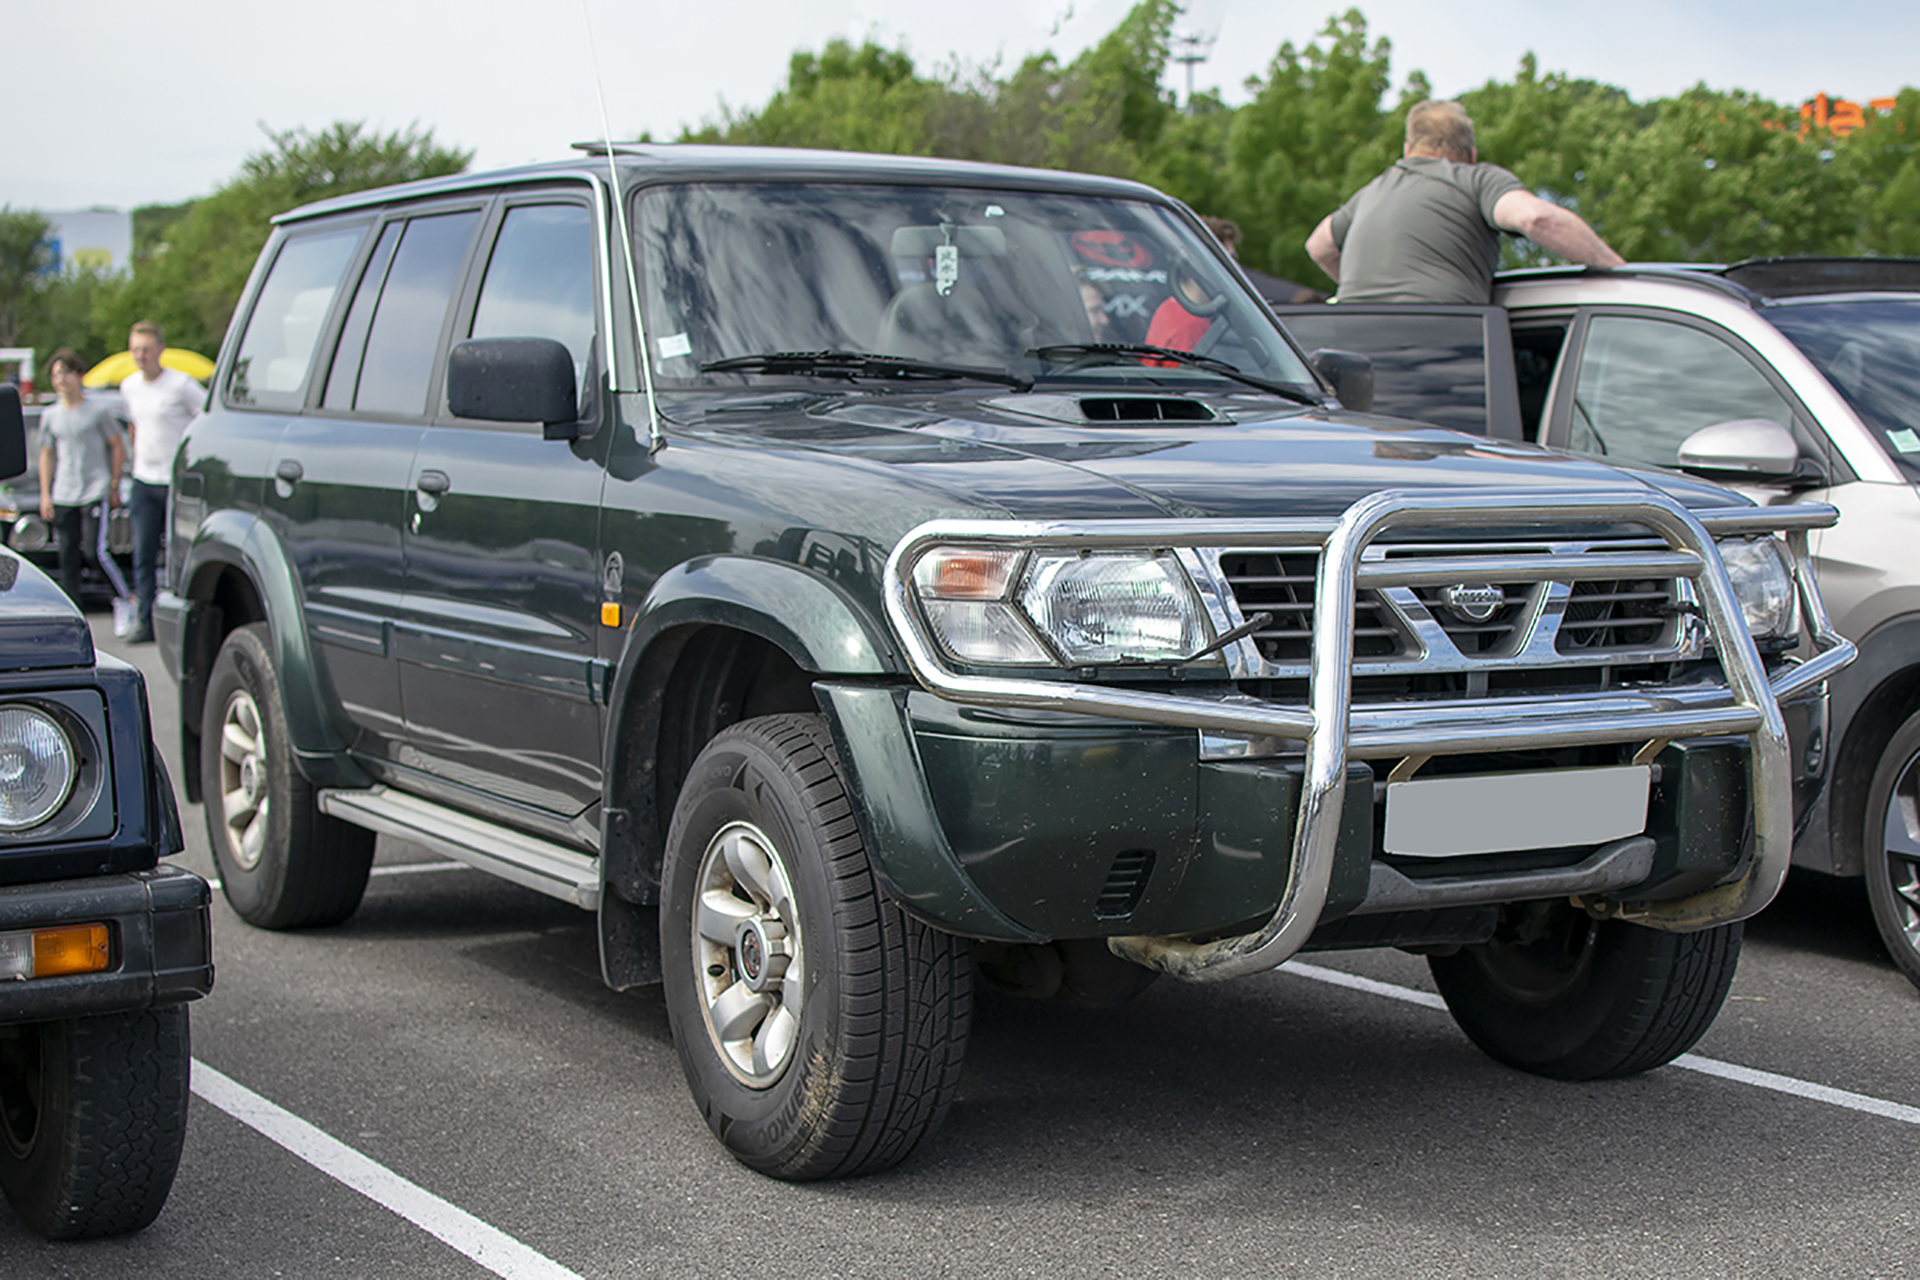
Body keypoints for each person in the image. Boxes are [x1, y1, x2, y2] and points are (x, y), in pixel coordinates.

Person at [1305, 100, 1624, 304]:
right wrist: (1622, 274)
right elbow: (1537, 219)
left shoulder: (1370, 192)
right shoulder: (1474, 179)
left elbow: (1319, 246)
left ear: (1407, 150)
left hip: (1351, 354)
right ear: (1470, 154)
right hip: (1439, 350)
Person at [118, 321, 202, 643]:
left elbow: (204, 418)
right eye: (135, 350)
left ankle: (183, 622)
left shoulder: (181, 385)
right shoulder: (129, 386)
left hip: (174, 479)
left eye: (146, 350)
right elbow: (134, 427)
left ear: (160, 351)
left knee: (179, 551)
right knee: (142, 552)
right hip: (143, 477)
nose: (141, 356)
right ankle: (145, 620)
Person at [37, 348, 129, 607]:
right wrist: (46, 494)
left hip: (94, 488)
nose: (61, 380)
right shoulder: (50, 415)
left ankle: (122, 599)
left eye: (66, 373)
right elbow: (47, 454)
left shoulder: (97, 412)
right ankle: (72, 608)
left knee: (93, 551)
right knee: (67, 555)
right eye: (56, 375)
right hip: (65, 491)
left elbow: (117, 445)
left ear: (79, 375)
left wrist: (114, 484)